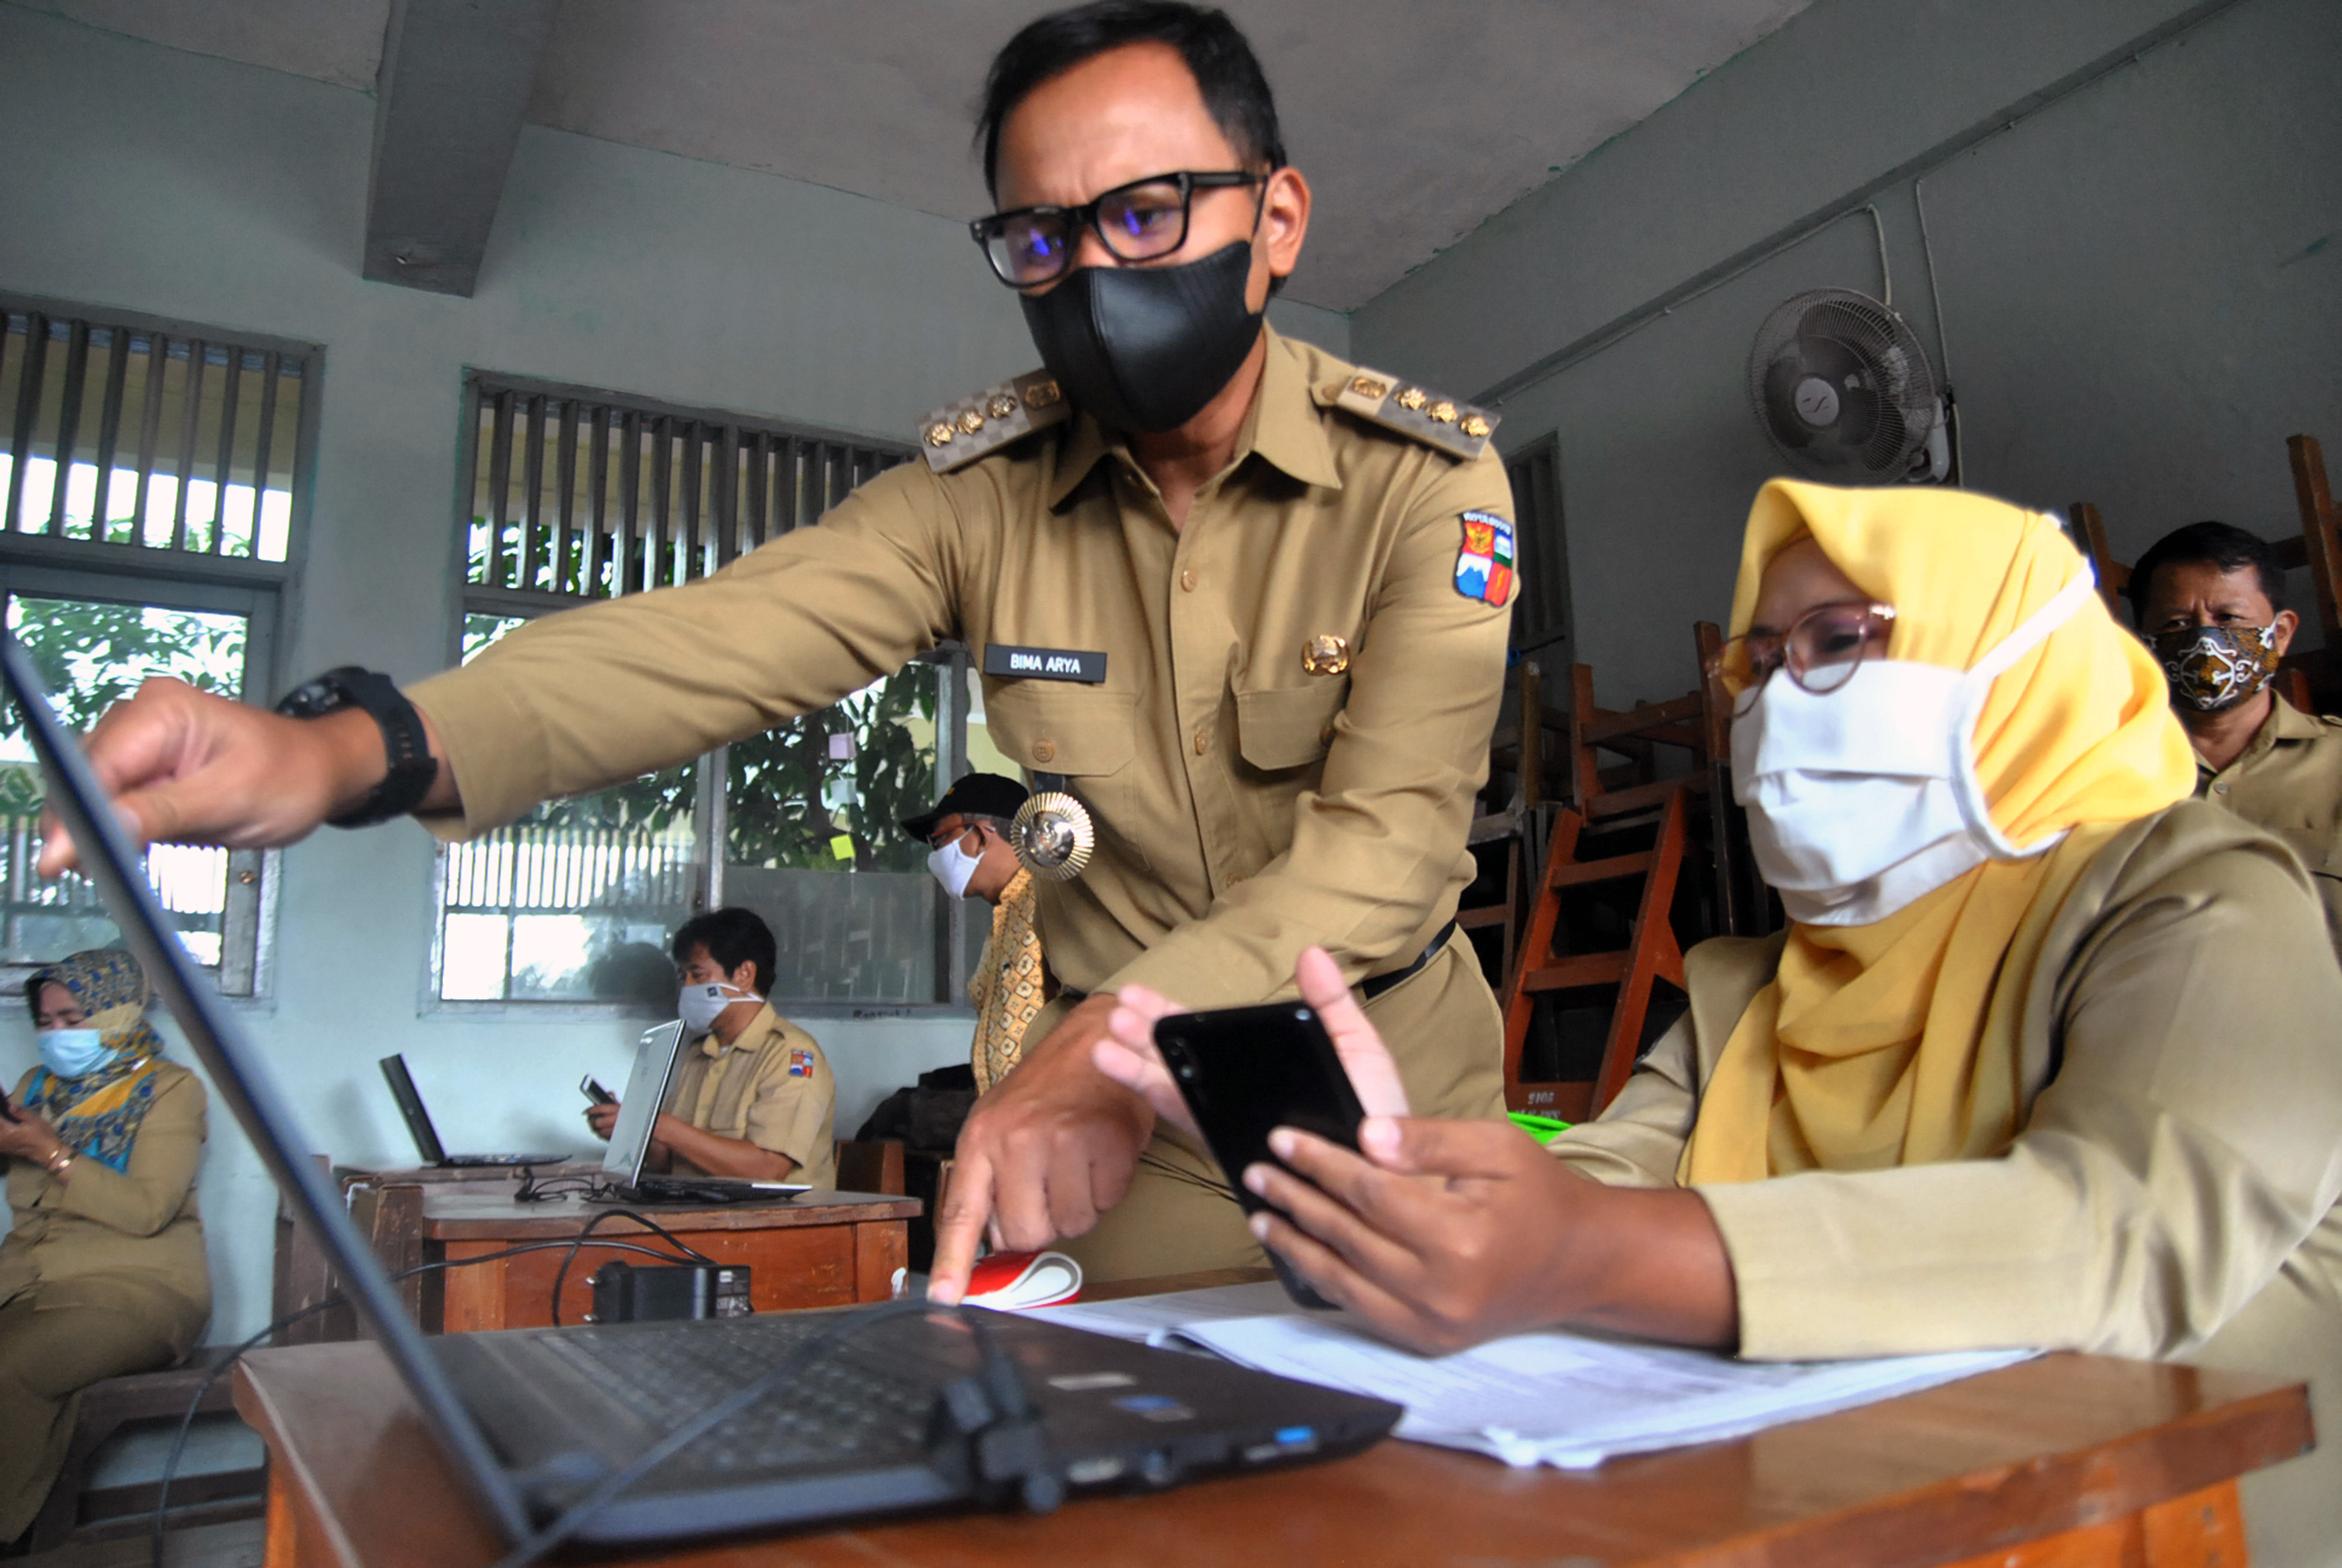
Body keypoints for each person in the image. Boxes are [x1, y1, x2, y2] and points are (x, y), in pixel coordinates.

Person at [52, 1, 1516, 1301]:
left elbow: (1383, 849)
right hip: (1143, 1121)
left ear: (1274, 219)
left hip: (1388, 1082)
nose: (1090, 273)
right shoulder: (983, 495)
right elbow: (715, 640)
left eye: (1145, 215)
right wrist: (349, 745)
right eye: (1042, 238)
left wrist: (1109, 1031)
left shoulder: (1425, 484)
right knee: (1065, 1442)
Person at [1099, 481, 2342, 1564]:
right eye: (1756, 662)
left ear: (2005, 663)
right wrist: (1383, 1191)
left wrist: (1580, 1249)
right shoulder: (1760, 983)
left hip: (2161, 1522)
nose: (1773, 700)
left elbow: (2116, 1235)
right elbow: (1594, 1184)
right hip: (1846, 1510)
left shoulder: (2196, 899)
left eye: (1838, 640)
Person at [0, 951, 211, 1546]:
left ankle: (10, 1534)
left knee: (12, 1367)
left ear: (117, 1011)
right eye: (46, 1021)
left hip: (140, 1289)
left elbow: (146, 1211)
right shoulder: (34, 1087)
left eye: (73, 1018)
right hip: (34, 1276)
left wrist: (52, 1151)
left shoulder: (169, 1089)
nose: (56, 1035)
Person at [2128, 520, 2342, 954]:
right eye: (2176, 623)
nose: (2205, 641)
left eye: (2228, 618)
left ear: (2280, 634)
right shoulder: (2102, 770)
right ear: (2144, 644)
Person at [586, 909, 837, 1188]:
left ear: (744, 974)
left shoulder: (790, 1054)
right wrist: (633, 1130)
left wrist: (661, 1126)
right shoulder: (699, 1054)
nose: (687, 987)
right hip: (695, 1217)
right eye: (684, 977)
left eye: (698, 975)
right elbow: (668, 1162)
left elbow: (768, 1168)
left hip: (772, 1225)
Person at [905, 773, 1049, 1092]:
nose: (936, 856)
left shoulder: (1052, 904)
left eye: (941, 839)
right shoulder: (1005, 915)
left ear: (983, 835)